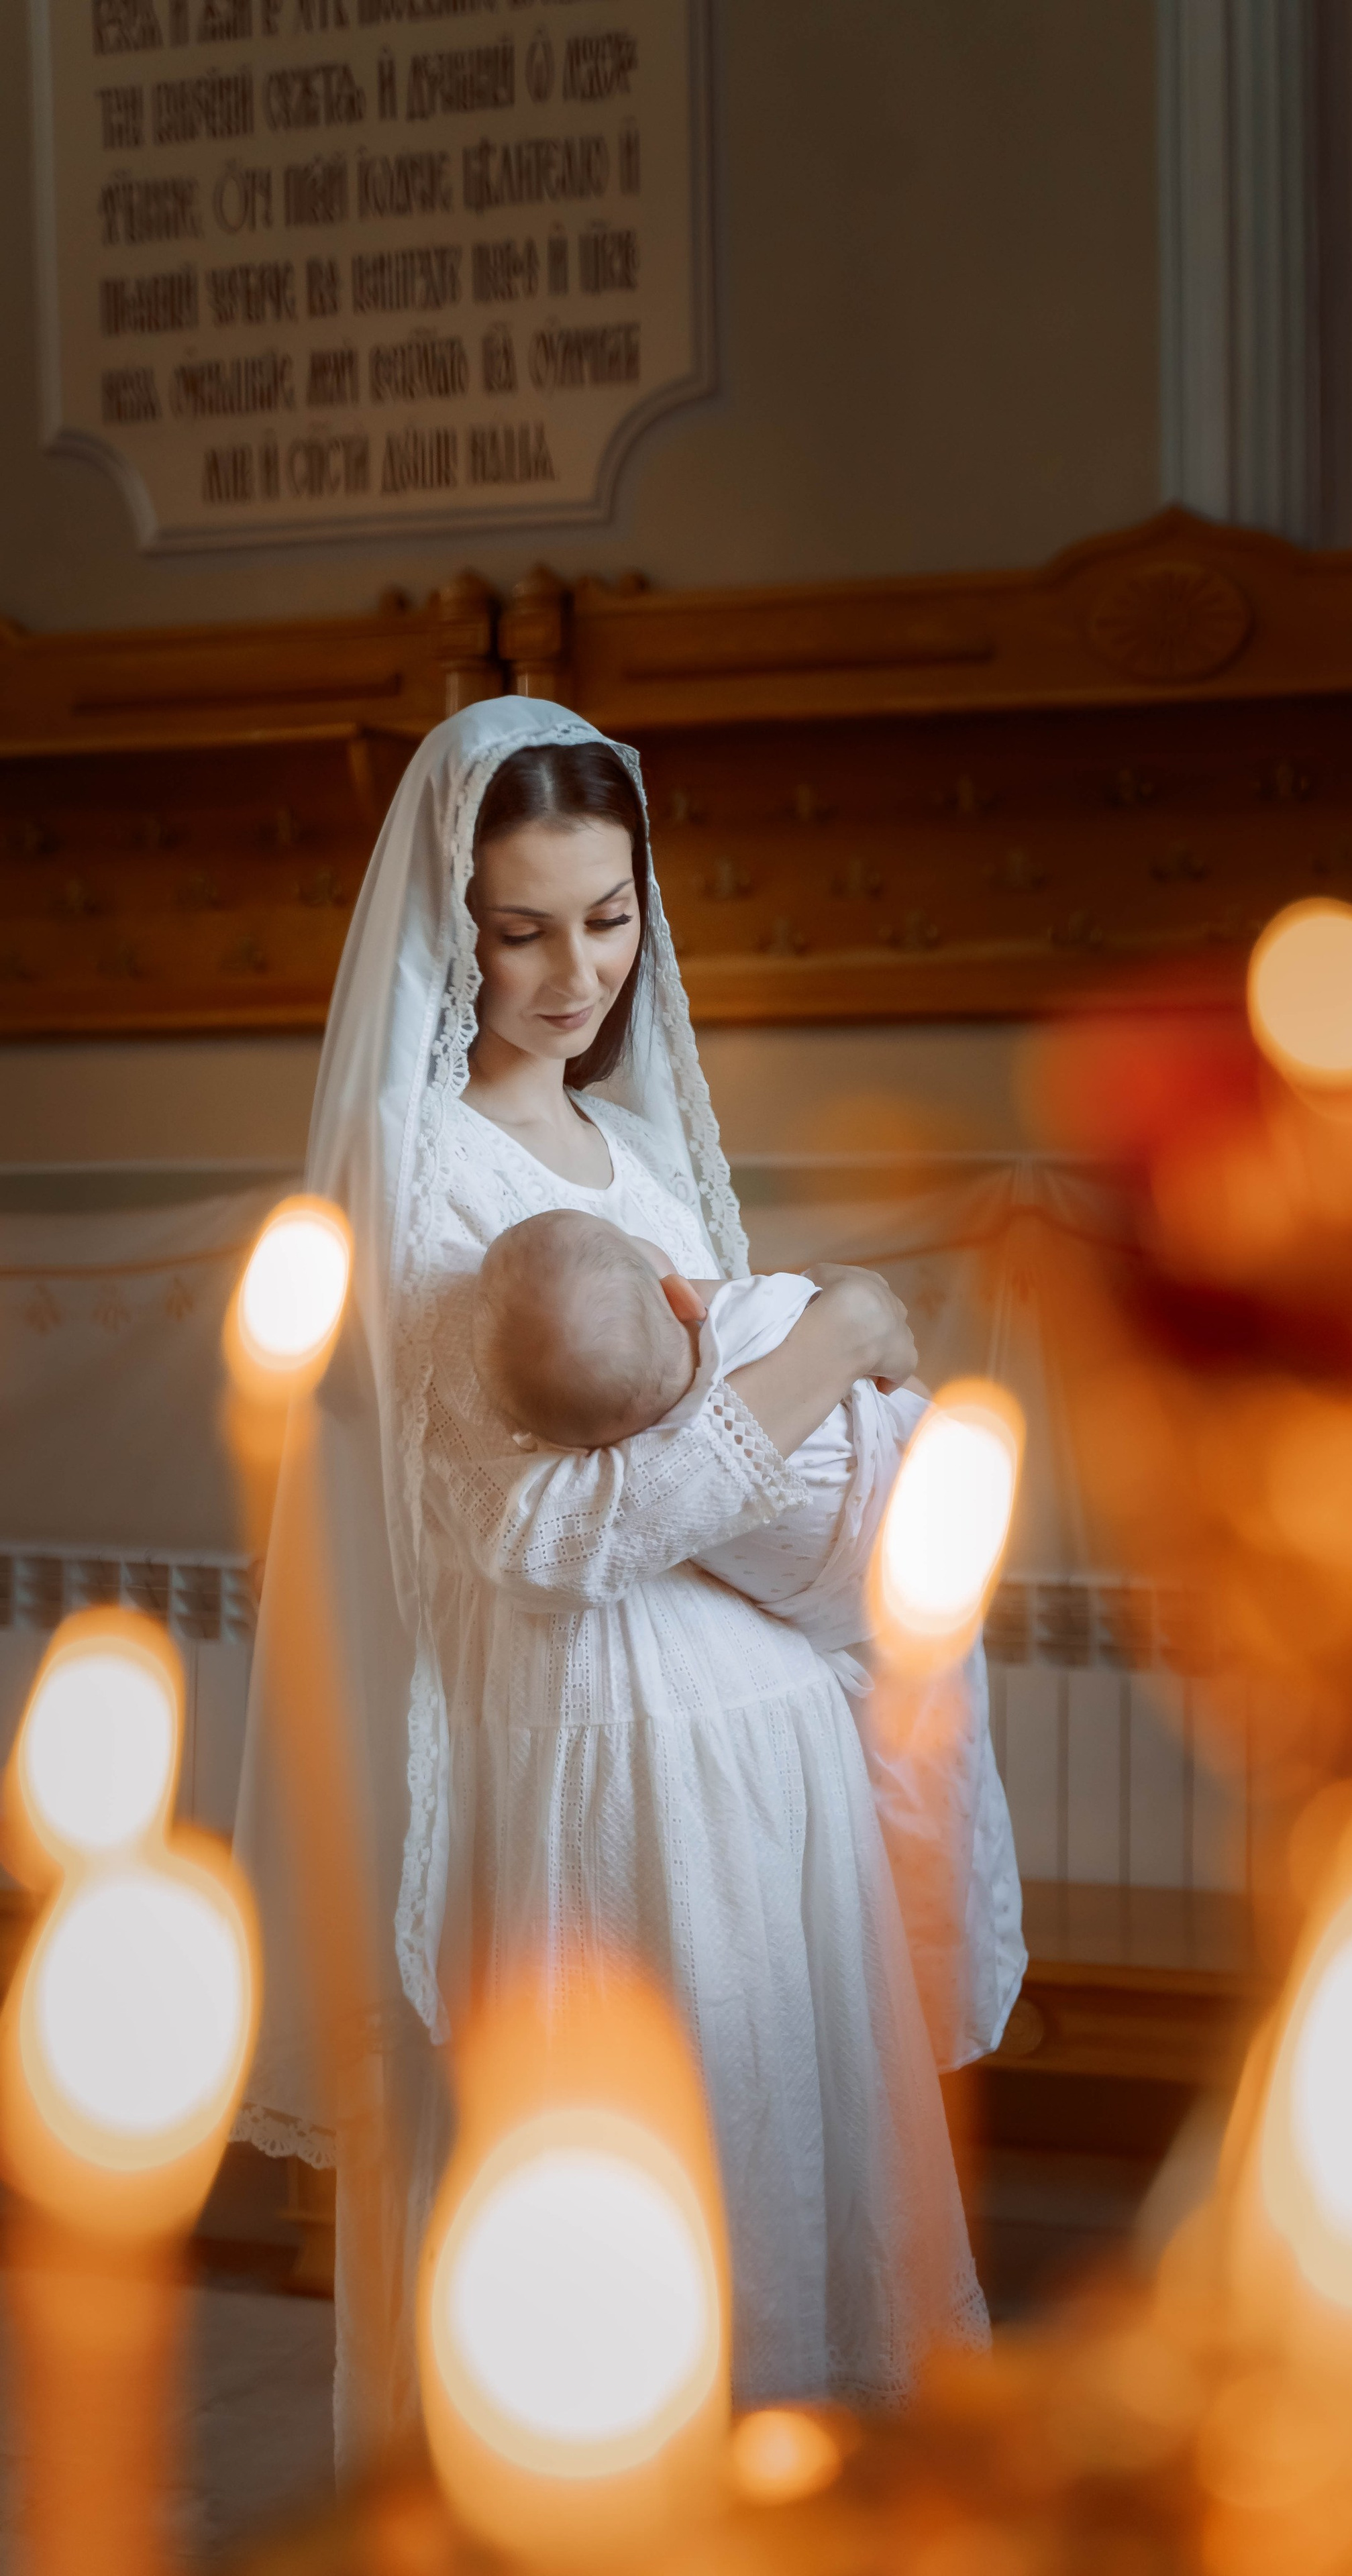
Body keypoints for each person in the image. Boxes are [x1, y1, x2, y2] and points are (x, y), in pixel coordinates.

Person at [232, 700, 990, 2465]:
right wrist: (848, 1341)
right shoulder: (432, 1189)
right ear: (452, 927)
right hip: (602, 1785)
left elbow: (694, 1422)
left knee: (781, 2223)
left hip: (753, 1787)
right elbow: (557, 1539)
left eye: (609, 915)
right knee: (619, 2258)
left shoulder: (629, 1149)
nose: (575, 973)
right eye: (522, 928)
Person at [469, 1206, 1027, 2069]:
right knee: (948, 1748)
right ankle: (969, 1987)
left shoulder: (628, 1467)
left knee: (920, 1785)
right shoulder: (751, 1323)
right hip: (918, 1508)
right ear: (676, 1291)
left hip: (834, 1611)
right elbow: (886, 1353)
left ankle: (945, 1995)